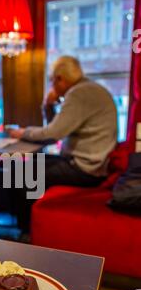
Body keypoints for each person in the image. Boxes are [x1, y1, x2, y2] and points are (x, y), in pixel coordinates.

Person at [8, 55, 118, 230]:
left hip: (85, 169)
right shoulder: (88, 88)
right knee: (24, 166)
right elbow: (55, 129)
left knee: (22, 172)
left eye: (52, 81)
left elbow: (52, 134)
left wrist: (21, 132)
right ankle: (26, 222)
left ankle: (25, 232)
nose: (52, 86)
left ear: (60, 78)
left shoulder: (79, 93)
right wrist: (48, 106)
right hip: (89, 164)